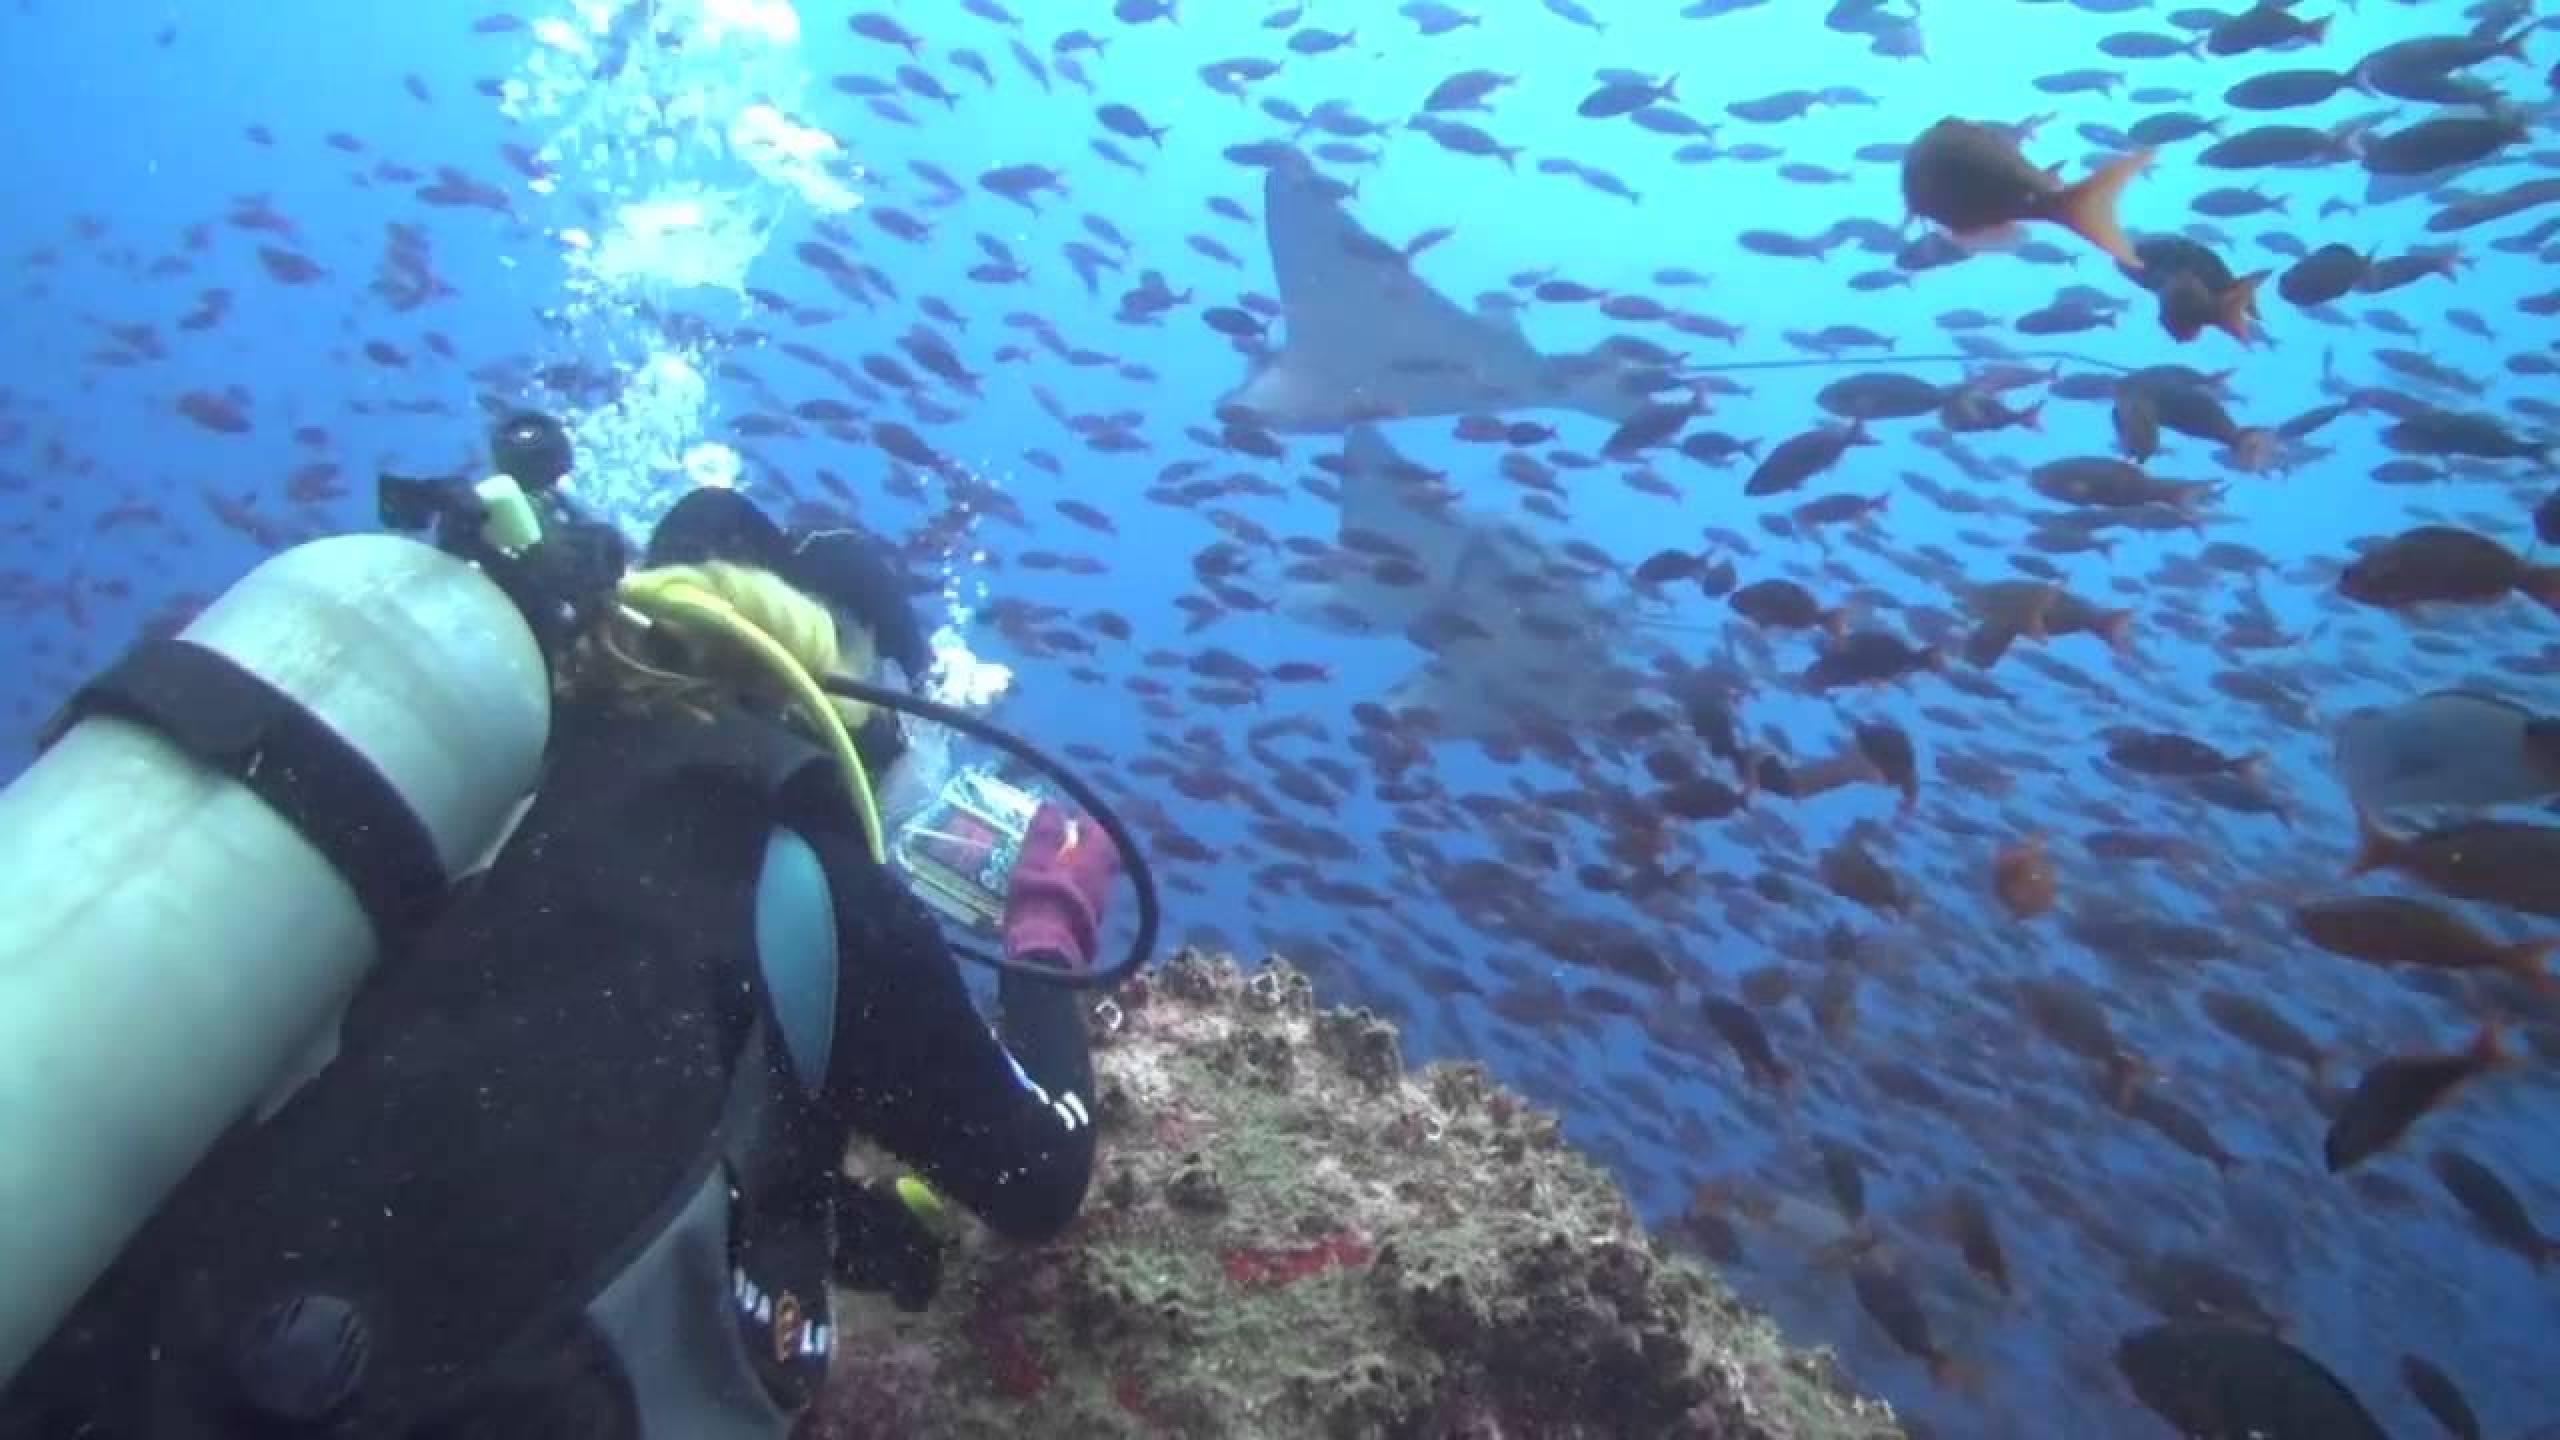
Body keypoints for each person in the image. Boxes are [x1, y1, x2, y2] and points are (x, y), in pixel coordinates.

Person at [0, 470, 1122, 1438]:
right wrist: (1046, 928)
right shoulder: (811, 884)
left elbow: (500, 1063)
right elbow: (1039, 1179)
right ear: (850, 705)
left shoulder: (489, 770)